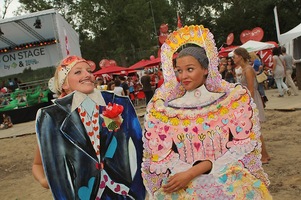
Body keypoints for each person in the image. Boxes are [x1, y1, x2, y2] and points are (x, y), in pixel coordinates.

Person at [142, 25, 271, 199]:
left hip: (227, 183)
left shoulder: (231, 101)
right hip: (183, 185)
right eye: (179, 71)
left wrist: (194, 172)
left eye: (189, 69)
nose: (183, 76)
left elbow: (239, 150)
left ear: (205, 69)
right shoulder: (164, 111)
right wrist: (184, 173)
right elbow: (163, 155)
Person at [32, 55, 145, 199]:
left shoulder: (117, 104)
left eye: (89, 71)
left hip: (121, 191)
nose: (87, 75)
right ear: (64, 84)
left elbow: (137, 145)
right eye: (78, 72)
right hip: (84, 193)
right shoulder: (52, 119)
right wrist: (45, 180)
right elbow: (37, 164)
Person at [233, 47, 271, 164]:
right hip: (249, 100)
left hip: (251, 100)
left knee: (255, 128)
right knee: (253, 128)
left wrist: (249, 104)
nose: (233, 59)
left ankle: (264, 156)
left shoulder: (248, 69)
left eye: (234, 57)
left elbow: (251, 89)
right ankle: (264, 155)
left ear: (240, 57)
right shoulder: (244, 69)